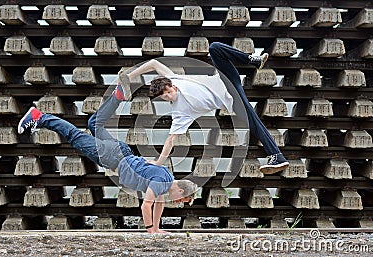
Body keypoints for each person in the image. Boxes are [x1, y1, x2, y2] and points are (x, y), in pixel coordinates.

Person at [17, 86, 198, 234]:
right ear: (181, 191)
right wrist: (151, 230)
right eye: (179, 200)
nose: (175, 202)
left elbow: (158, 205)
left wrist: (158, 229)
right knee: (73, 135)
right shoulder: (161, 183)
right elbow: (146, 206)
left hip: (122, 151)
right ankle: (40, 117)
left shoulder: (166, 177)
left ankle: (118, 95)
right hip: (112, 156)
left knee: (94, 124)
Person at [120, 43, 288, 174]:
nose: (169, 96)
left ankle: (253, 60)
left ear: (172, 86)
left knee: (215, 48)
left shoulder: (174, 78)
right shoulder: (181, 112)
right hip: (231, 98)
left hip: (226, 78)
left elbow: (154, 63)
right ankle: (276, 156)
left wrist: (129, 76)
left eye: (169, 92)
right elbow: (171, 139)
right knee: (254, 123)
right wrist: (158, 162)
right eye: (165, 97)